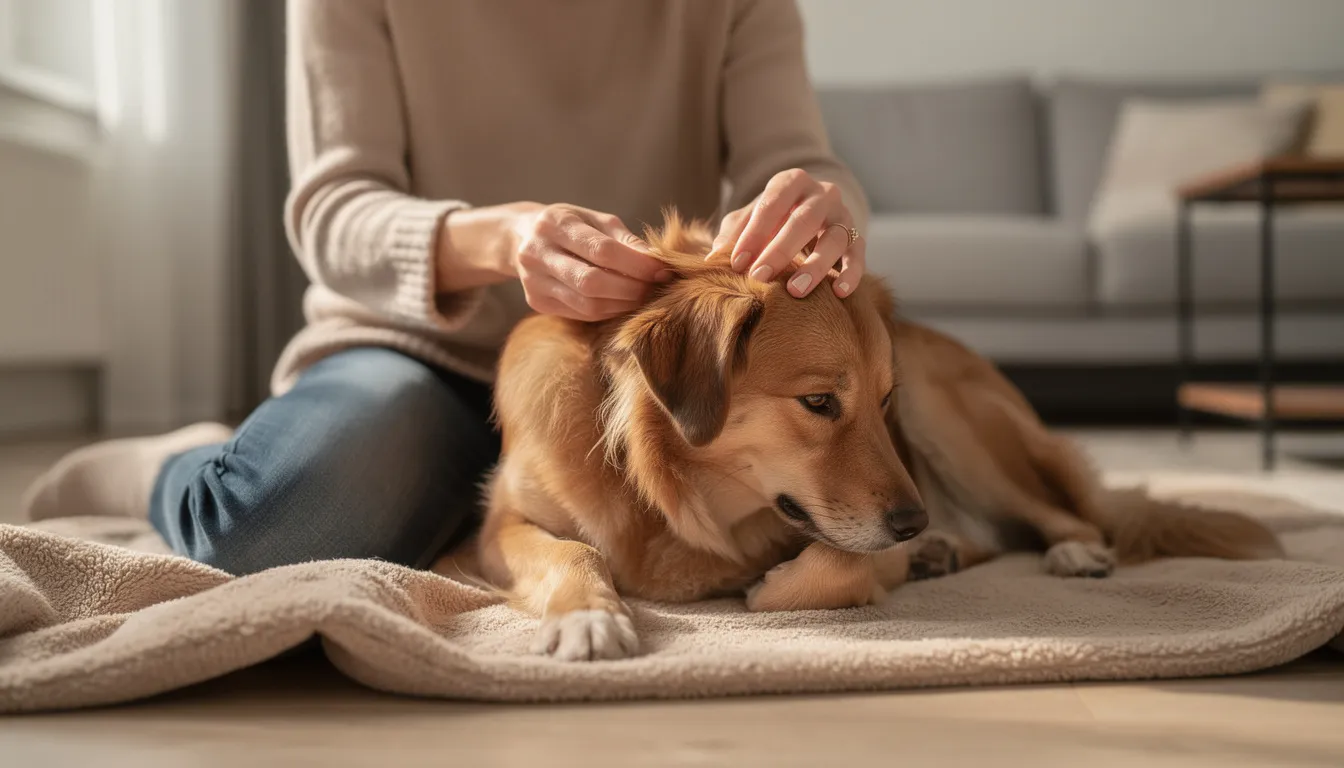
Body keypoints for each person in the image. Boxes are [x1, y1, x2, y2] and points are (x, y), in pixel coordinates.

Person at [22, 0, 869, 575]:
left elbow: (802, 162)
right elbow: (332, 212)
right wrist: (503, 239)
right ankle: (162, 465)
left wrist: (831, 207)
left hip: (627, 383)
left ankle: (463, 507)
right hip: (415, 355)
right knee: (267, 526)